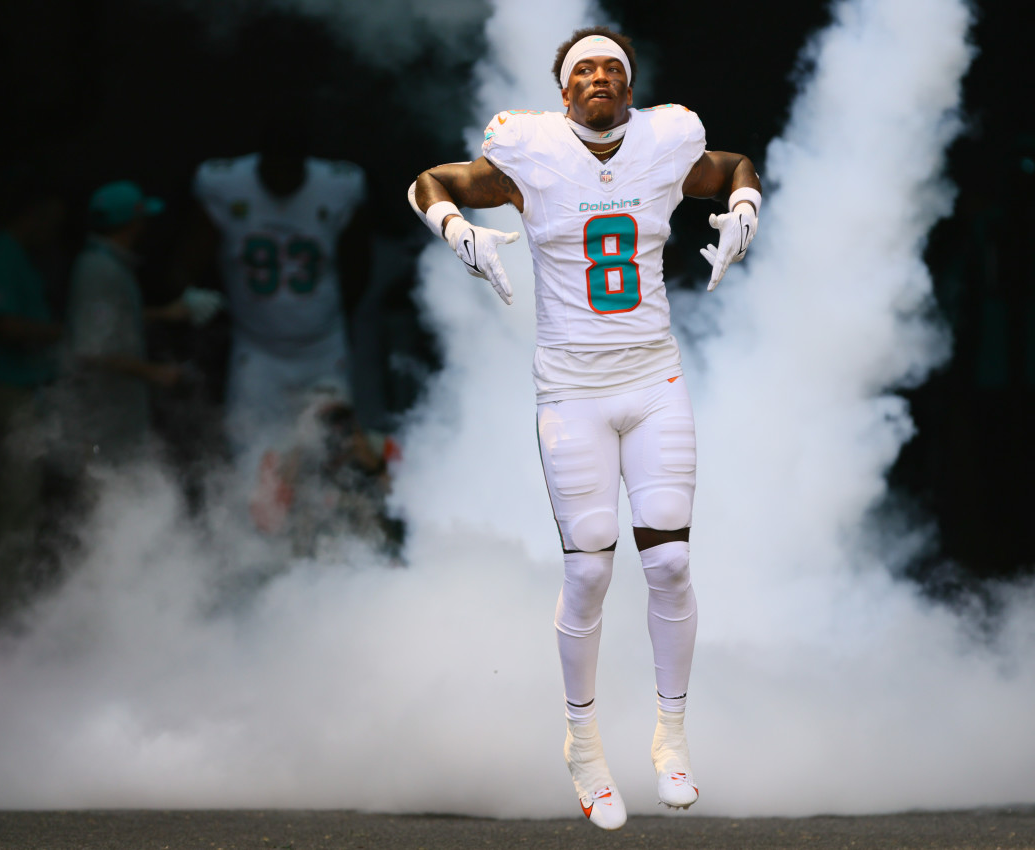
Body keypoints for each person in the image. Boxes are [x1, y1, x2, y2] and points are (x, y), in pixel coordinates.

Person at [408, 27, 761, 830]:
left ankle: (670, 740)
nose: (599, 77)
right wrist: (456, 231)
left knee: (669, 562)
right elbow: (432, 180)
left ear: (629, 88)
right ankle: (583, 745)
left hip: (653, 380)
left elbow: (734, 166)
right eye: (584, 69)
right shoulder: (527, 153)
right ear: (562, 90)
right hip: (571, 391)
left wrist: (745, 206)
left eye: (613, 68)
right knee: (591, 572)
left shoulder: (668, 143)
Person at [178, 123, 377, 533]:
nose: (283, 178)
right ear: (261, 162)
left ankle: (324, 543)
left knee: (330, 451)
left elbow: (358, 267)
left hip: (322, 347)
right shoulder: (225, 184)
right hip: (258, 347)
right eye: (275, 167)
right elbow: (192, 255)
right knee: (254, 453)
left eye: (292, 168)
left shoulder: (337, 187)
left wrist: (329, 320)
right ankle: (259, 548)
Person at [62, 180, 220, 472]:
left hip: (117, 418)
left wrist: (163, 313)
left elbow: (107, 322)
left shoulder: (108, 264)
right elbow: (89, 349)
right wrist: (158, 372)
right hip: (102, 421)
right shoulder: (100, 270)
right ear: (132, 223)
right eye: (142, 218)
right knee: (103, 501)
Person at [0, 178, 66, 613]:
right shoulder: (1, 257)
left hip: (22, 393)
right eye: (52, 215)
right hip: (7, 394)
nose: (55, 227)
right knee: (14, 506)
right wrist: (62, 332)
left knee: (20, 503)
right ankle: (2, 604)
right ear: (35, 211)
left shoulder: (17, 257)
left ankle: (10, 596)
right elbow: (5, 325)